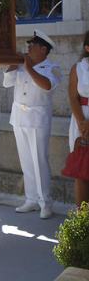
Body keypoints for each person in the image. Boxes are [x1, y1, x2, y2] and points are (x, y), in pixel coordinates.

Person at [3, 29, 61, 219]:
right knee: (26, 160)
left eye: (33, 45)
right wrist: (13, 64)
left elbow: (46, 85)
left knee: (39, 160)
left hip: (37, 119)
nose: (28, 48)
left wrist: (28, 67)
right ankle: (31, 199)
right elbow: (6, 83)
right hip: (19, 116)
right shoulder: (22, 65)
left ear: (43, 49)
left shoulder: (52, 67)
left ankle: (45, 202)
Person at [68, 31, 89, 207]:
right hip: (80, 121)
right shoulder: (78, 68)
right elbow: (73, 96)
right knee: (81, 170)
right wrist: (83, 124)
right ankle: (82, 220)